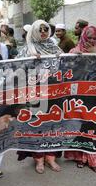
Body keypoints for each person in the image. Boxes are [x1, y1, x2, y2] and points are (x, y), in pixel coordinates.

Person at [17, 20, 63, 173]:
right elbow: (16, 68)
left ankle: (51, 156)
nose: (43, 32)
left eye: (46, 29)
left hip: (54, 94)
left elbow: (66, 63)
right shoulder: (27, 49)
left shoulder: (54, 46)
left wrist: (74, 56)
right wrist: (30, 61)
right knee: (37, 126)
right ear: (35, 31)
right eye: (40, 29)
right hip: (35, 94)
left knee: (53, 125)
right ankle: (39, 159)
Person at [63, 26, 96, 172]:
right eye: (89, 37)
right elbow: (68, 71)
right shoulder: (74, 51)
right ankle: (80, 157)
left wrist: (95, 55)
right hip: (79, 96)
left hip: (95, 96)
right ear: (83, 37)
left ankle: (93, 159)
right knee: (79, 125)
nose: (91, 41)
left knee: (93, 126)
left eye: (94, 38)